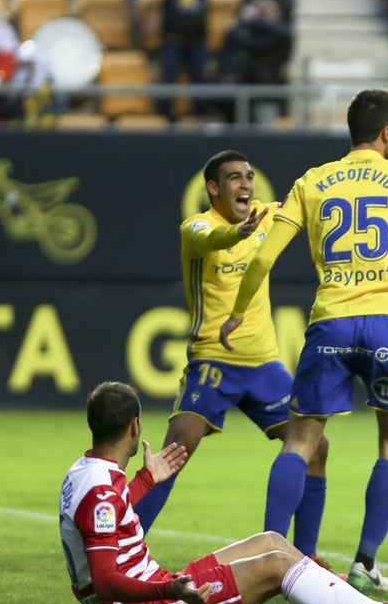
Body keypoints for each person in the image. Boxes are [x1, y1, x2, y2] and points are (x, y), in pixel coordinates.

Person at [221, 89, 388, 594]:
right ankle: (365, 561)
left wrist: (237, 313)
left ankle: (270, 556)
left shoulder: (313, 179)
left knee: (301, 440)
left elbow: (261, 258)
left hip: (331, 322)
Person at [60, 381, 388, 604]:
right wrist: (170, 589)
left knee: (271, 542)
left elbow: (107, 517)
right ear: (135, 425)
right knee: (275, 565)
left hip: (155, 591)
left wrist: (146, 480)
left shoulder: (89, 472)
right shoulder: (101, 491)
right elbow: (107, 580)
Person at [131, 151, 329, 568]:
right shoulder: (198, 226)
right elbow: (209, 240)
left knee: (317, 446)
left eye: (250, 177)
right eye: (234, 178)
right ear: (213, 188)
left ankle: (305, 557)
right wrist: (239, 232)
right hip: (212, 361)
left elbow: (315, 201)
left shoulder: (268, 216)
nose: (245, 185)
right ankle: (125, 549)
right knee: (175, 453)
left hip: (264, 365)